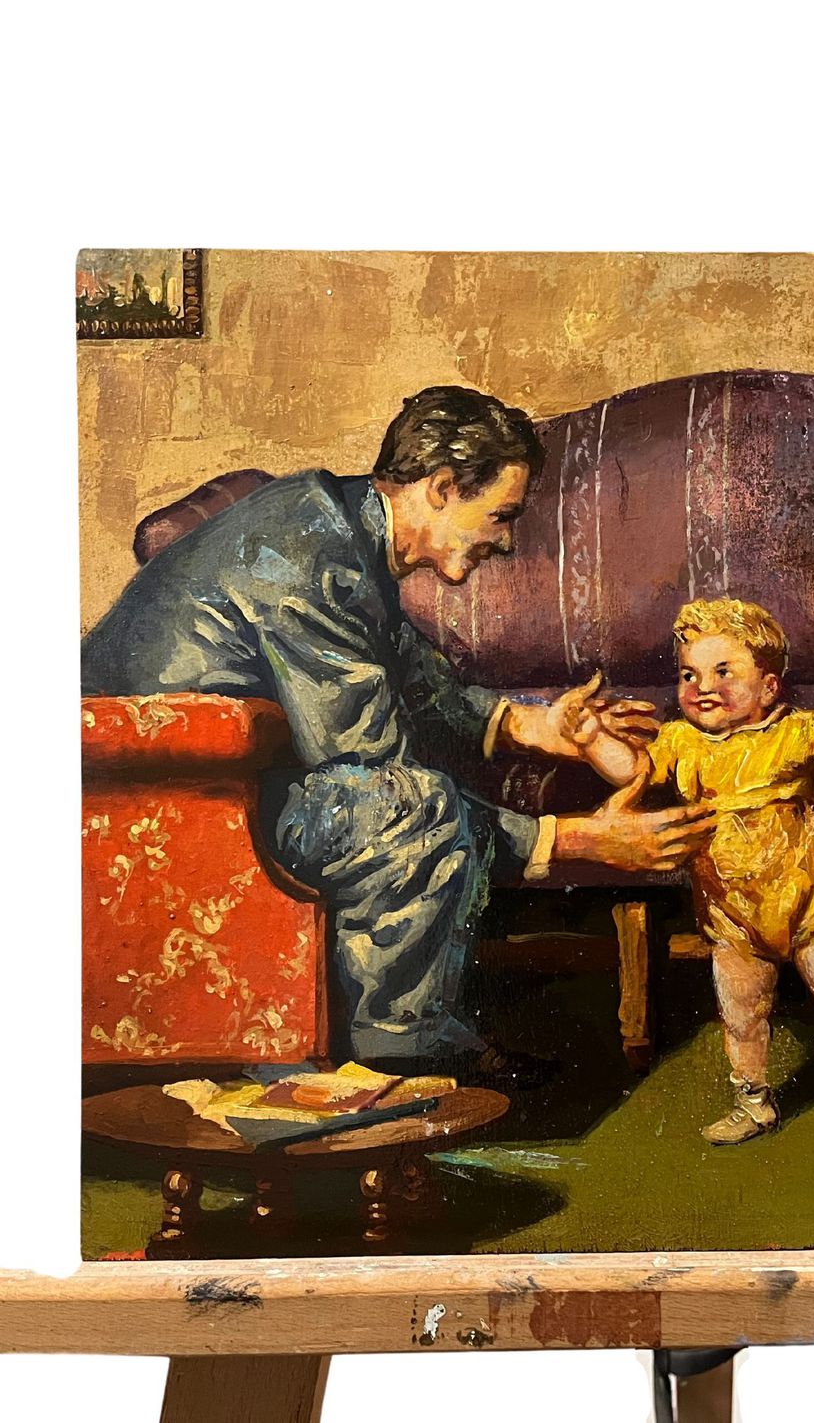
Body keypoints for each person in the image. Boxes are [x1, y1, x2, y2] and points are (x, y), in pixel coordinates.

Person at [80, 385, 716, 1081]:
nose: (506, 541)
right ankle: (397, 1064)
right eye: (501, 515)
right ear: (441, 488)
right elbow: (373, 770)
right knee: (413, 808)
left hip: (208, 785)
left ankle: (409, 1048)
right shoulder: (305, 558)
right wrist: (572, 841)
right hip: (163, 801)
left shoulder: (339, 525)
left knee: (411, 798)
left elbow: (412, 678)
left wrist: (532, 724)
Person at [563, 597, 814, 1142]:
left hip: (812, 896)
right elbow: (630, 770)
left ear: (768, 688)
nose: (702, 686)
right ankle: (753, 1099)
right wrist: (592, 737)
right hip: (731, 907)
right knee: (741, 1011)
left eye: (723, 672)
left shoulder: (798, 731)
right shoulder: (681, 741)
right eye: (689, 675)